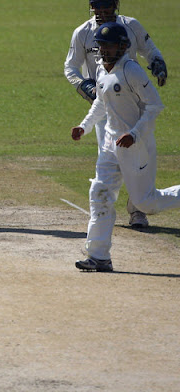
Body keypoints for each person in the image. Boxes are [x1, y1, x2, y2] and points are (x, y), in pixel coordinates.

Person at [71, 22, 180, 272]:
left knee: (145, 203)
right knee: (100, 194)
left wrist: (134, 134)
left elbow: (155, 105)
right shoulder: (100, 69)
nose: (105, 50)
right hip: (110, 144)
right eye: (101, 45)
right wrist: (84, 127)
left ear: (122, 47)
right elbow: (101, 103)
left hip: (136, 146)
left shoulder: (131, 70)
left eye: (110, 45)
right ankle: (99, 256)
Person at [64, 0, 167, 228]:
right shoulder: (83, 33)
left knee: (137, 155)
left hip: (136, 104)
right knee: (109, 157)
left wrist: (158, 63)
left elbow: (150, 50)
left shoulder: (130, 26)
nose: (102, 11)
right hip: (104, 106)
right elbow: (70, 67)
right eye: (97, 7)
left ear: (115, 4)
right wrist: (83, 85)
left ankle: (137, 210)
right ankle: (102, 211)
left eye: (107, 5)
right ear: (91, 7)